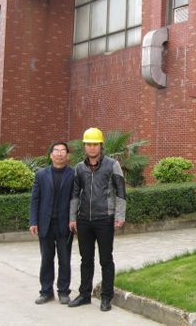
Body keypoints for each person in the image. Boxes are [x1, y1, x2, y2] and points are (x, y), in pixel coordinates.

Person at [68, 127, 126, 312]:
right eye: (88, 144)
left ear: (101, 145)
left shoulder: (112, 165)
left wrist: (120, 215)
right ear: (84, 146)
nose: (92, 148)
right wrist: (73, 217)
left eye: (95, 144)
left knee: (106, 260)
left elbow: (121, 191)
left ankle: (106, 297)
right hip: (84, 219)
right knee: (86, 259)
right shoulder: (79, 167)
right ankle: (84, 295)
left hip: (104, 219)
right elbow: (75, 194)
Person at [29, 141, 75, 305]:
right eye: (56, 151)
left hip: (65, 225)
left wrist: (74, 219)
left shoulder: (73, 174)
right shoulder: (41, 174)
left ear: (67, 155)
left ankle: (64, 292)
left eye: (63, 151)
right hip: (45, 224)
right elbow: (35, 199)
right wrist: (33, 221)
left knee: (65, 260)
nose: (59, 154)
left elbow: (76, 199)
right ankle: (46, 292)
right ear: (51, 155)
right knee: (46, 259)